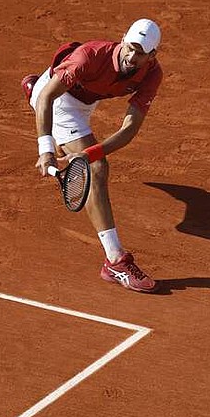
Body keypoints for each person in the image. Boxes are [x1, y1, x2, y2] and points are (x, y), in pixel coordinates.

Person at [21, 18, 163, 293]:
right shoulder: (88, 57)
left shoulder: (152, 74)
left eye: (141, 53)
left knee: (89, 157)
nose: (132, 57)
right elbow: (49, 98)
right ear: (122, 40)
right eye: (130, 48)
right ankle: (115, 261)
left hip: (87, 99)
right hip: (58, 99)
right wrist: (45, 149)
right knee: (97, 170)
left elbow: (129, 129)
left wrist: (87, 154)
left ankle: (34, 90)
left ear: (152, 55)